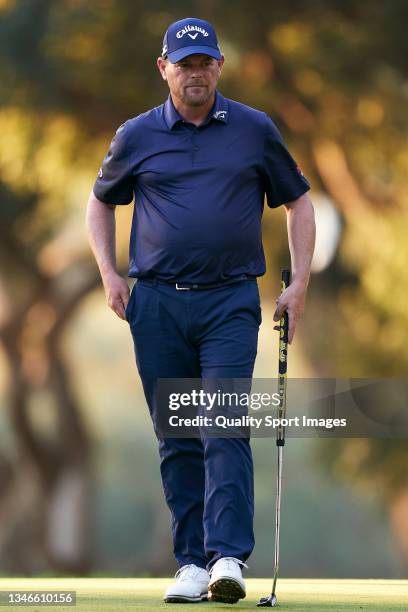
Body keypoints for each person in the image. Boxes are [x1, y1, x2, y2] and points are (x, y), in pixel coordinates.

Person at [86, 17, 315, 604]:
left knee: (223, 424)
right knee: (177, 434)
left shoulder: (253, 129)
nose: (195, 73)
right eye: (184, 64)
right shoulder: (136, 135)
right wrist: (111, 274)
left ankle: (228, 559)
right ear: (164, 68)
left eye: (204, 62)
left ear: (219, 66)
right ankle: (191, 561)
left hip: (230, 302)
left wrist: (301, 282)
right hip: (157, 304)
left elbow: (298, 202)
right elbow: (100, 202)